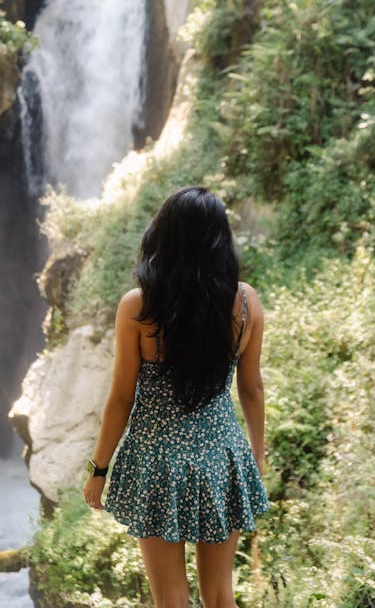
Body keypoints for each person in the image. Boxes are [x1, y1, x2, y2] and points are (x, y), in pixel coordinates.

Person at [83, 186, 269, 608]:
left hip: (157, 460)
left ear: (163, 235)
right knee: (221, 595)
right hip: (222, 456)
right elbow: (251, 387)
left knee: (170, 598)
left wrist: (99, 468)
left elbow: (121, 398)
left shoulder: (139, 307)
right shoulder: (245, 302)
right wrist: (256, 456)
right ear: (221, 240)